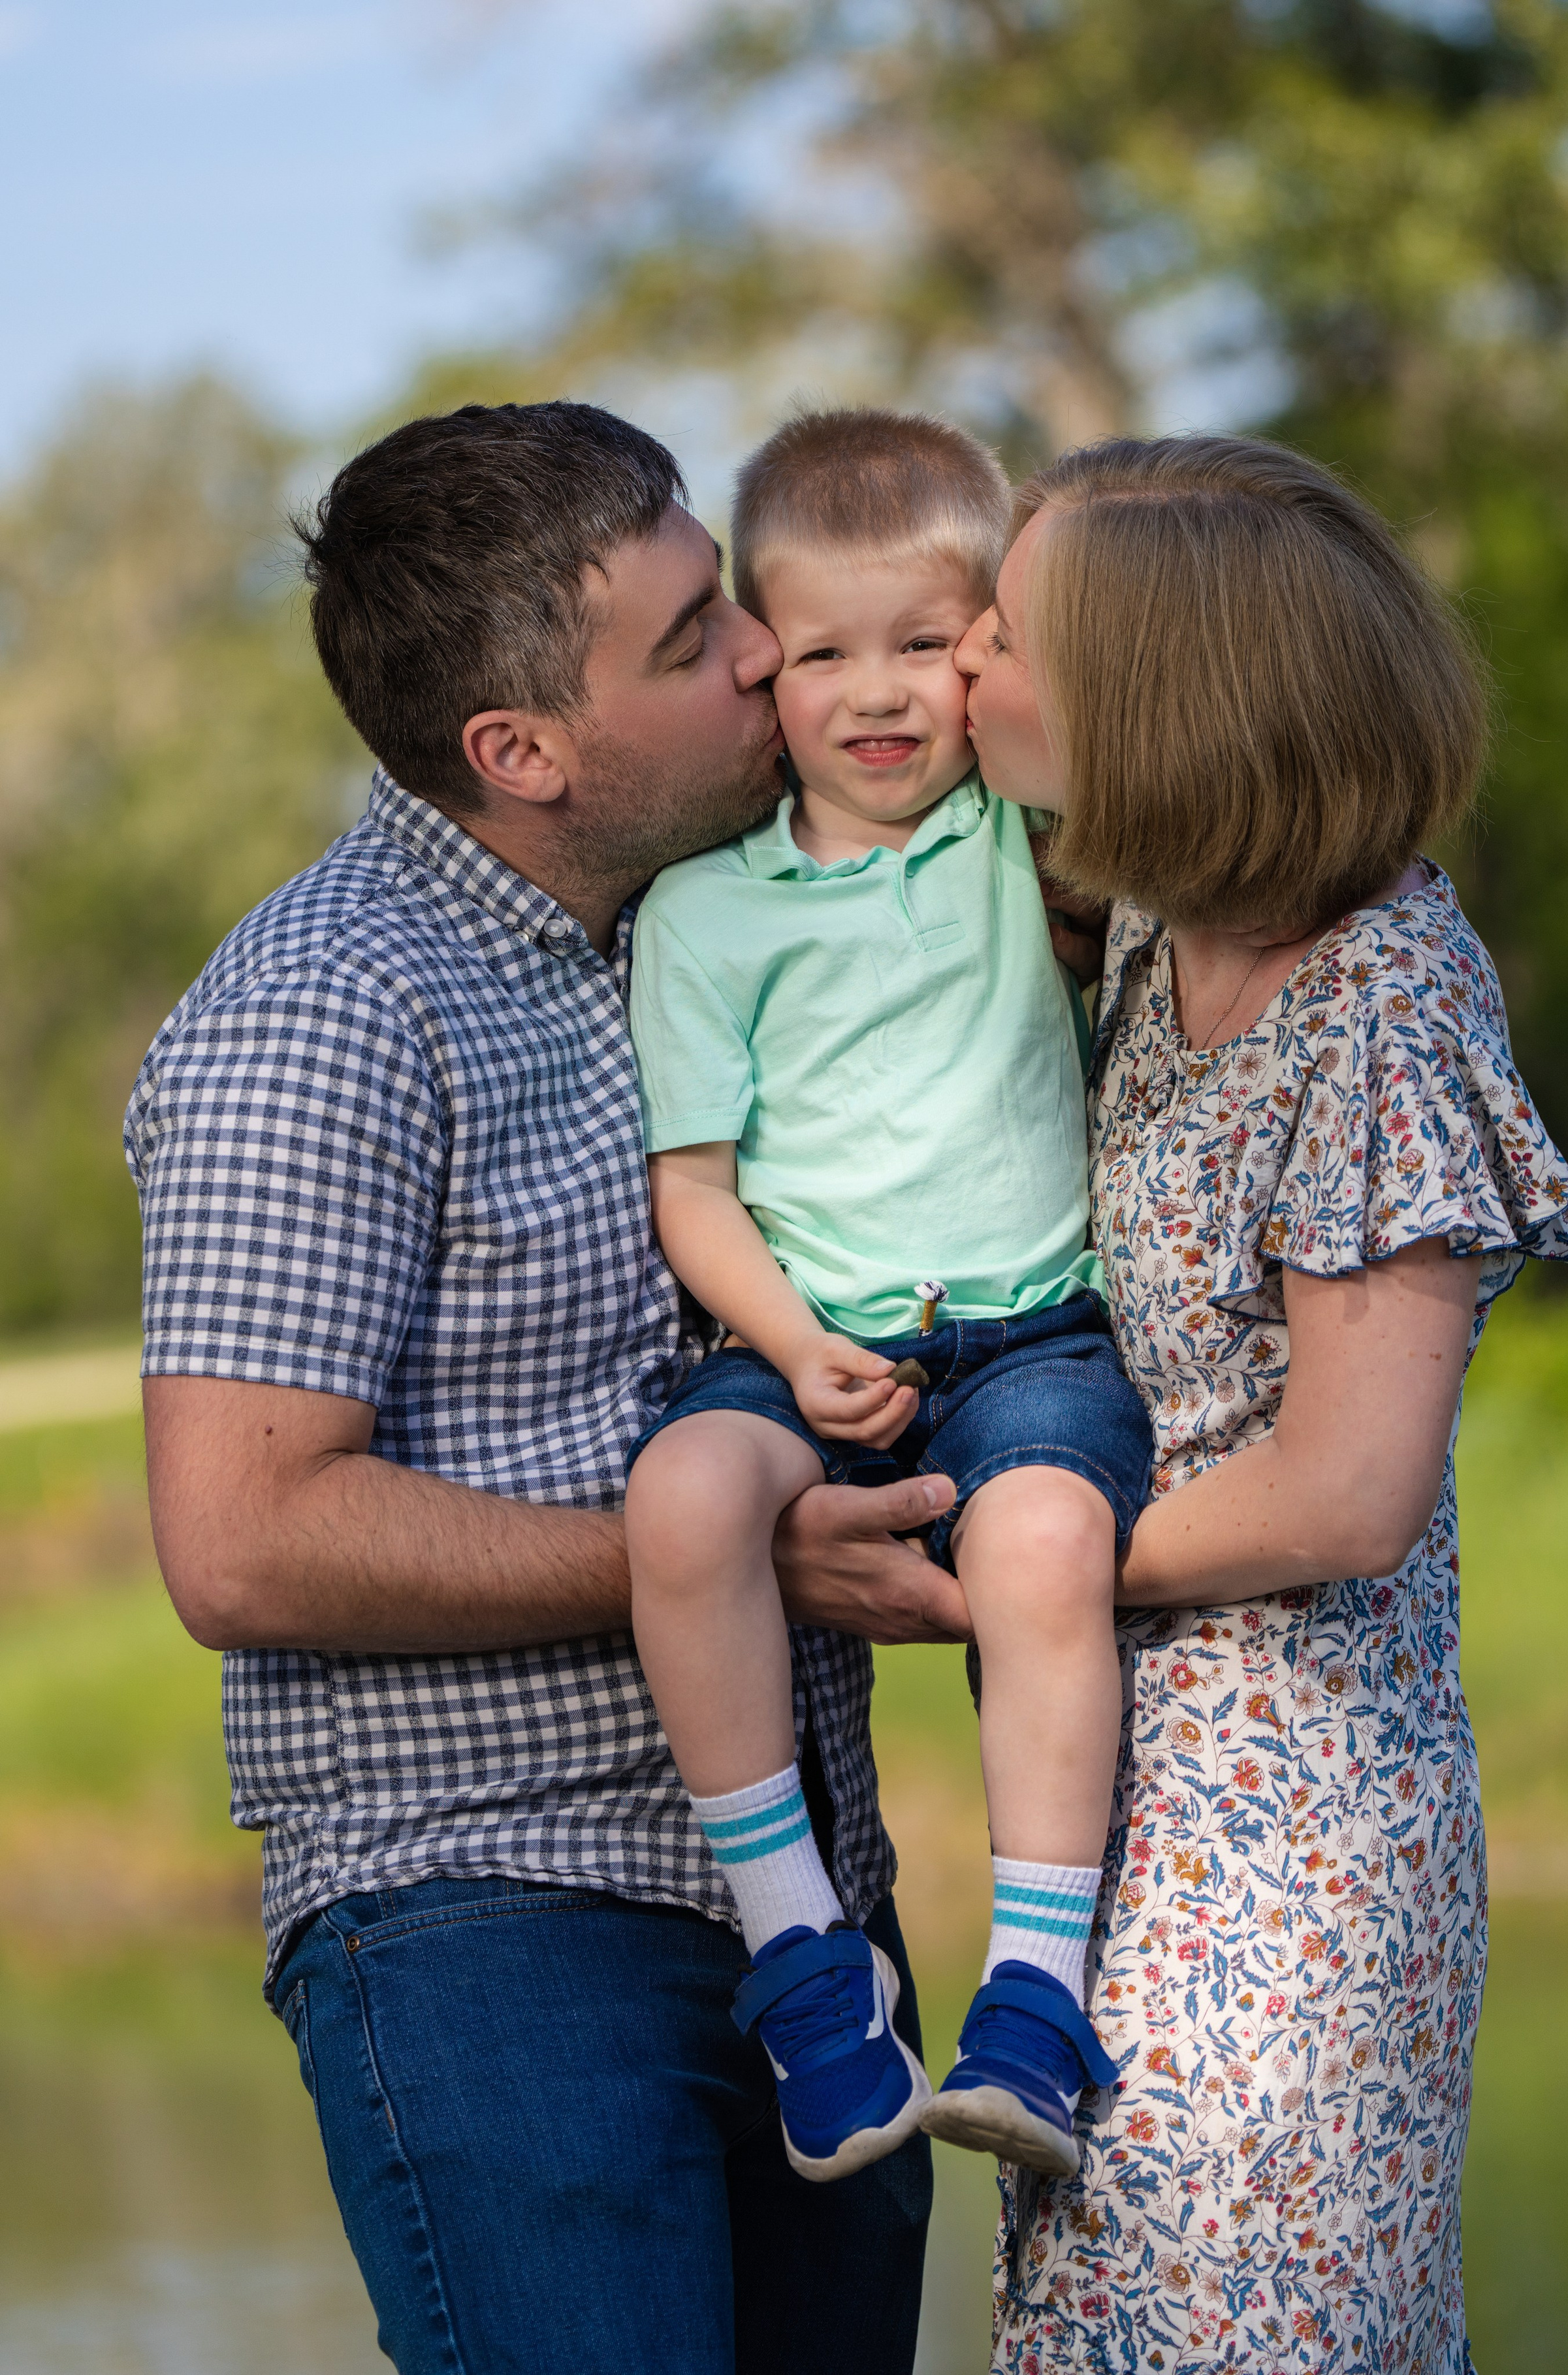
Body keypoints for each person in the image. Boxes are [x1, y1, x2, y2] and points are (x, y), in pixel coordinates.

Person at [122, 399, 962, 2375]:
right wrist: (716, 1562)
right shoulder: (319, 1017)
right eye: (691, 641)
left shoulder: (708, 920)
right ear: (522, 754)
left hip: (805, 1920)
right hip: (491, 1929)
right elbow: (243, 1541)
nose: (764, 648)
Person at [957, 434, 1568, 2374]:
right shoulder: (1159, 927)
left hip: (1292, 1847)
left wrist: (1007, 1571)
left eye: (1005, 629)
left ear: (1163, 700)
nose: (959, 659)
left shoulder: (1380, 993)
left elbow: (1345, 1490)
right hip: (1107, 1815)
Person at [624, 408, 1151, 2186]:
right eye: (828, 649)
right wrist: (790, 1351)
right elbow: (693, 1193)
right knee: (686, 1498)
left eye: (929, 643)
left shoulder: (1028, 846)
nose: (882, 692)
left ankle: (1032, 1995)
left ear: (989, 650)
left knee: (1046, 1550)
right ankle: (802, 1953)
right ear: (761, 663)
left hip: (1029, 1329)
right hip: (811, 1339)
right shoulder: (706, 914)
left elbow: (1127, 738)